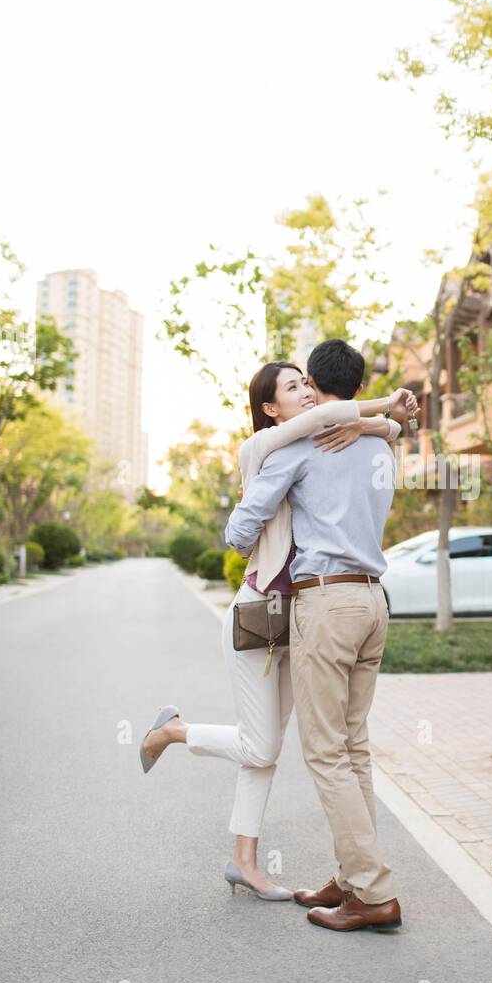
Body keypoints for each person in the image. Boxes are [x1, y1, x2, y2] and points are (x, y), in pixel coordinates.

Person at [138, 359, 414, 901]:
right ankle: (173, 731)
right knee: (268, 744)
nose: (307, 394)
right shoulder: (265, 449)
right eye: (294, 387)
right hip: (262, 612)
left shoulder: (326, 441)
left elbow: (374, 427)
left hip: (309, 616)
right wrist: (381, 415)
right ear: (270, 408)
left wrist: (375, 424)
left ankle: (251, 861)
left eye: (308, 383)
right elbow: (237, 534)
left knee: (273, 747)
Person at [225, 338, 404, 933]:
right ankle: (354, 875)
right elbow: (385, 431)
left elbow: (238, 528)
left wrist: (266, 528)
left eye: (305, 382)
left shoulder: (301, 446)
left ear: (318, 388)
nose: (301, 390)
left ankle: (372, 893)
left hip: (327, 603)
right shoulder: (380, 444)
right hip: (374, 599)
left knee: (326, 752)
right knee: (353, 748)